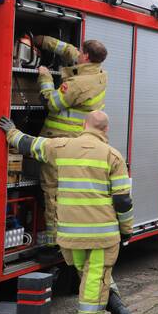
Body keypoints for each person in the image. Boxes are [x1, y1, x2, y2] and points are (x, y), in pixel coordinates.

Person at [0, 111, 134, 314]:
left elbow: (29, 145)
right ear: (105, 130)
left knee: (91, 275)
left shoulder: (61, 147)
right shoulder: (113, 156)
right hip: (101, 234)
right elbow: (123, 201)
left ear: (84, 125)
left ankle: (119, 310)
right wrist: (127, 230)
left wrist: (10, 131)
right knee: (96, 277)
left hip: (70, 234)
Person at [33, 37, 108, 243]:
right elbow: (67, 49)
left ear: (86, 56)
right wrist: (41, 40)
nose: (77, 53)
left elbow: (51, 103)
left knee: (52, 191)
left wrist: (46, 78)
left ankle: (53, 243)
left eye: (80, 52)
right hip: (78, 140)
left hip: (62, 142)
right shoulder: (97, 72)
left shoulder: (79, 84)